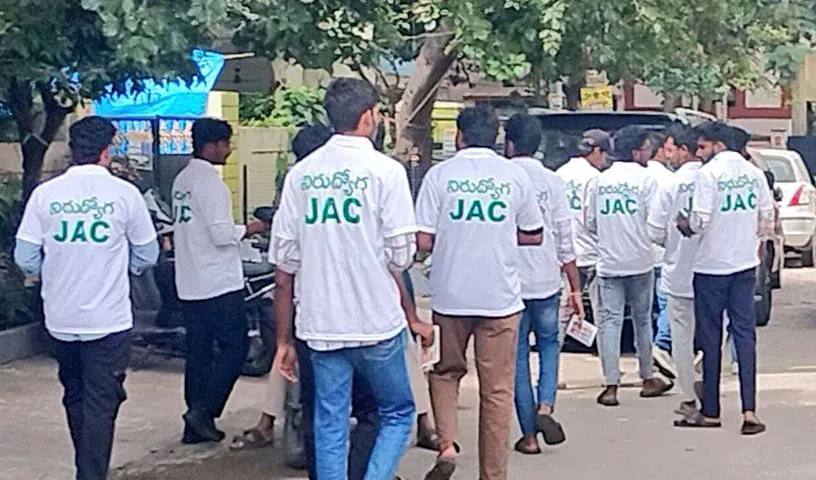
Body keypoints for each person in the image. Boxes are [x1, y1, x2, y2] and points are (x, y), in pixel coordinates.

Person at [271, 78, 425, 480]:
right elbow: (401, 256)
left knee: (329, 420)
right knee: (398, 411)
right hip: (376, 322)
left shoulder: (302, 175)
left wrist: (284, 340)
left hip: (320, 324)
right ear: (368, 117)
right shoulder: (387, 172)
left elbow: (285, 261)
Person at [14, 116, 159, 480]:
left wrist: (55, 270)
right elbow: (147, 254)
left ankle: (86, 465)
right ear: (106, 152)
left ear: (73, 151)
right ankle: (90, 473)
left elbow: (25, 257)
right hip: (108, 319)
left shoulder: (45, 194)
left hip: (60, 317)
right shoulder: (125, 194)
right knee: (102, 400)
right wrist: (119, 266)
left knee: (75, 393)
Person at [415, 106, 544, 480]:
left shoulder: (439, 176)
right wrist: (499, 233)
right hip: (500, 299)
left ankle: (447, 446)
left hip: (450, 297)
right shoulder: (514, 176)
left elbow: (423, 240)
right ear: (498, 140)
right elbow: (534, 234)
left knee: (445, 373)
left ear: (459, 136)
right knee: (497, 390)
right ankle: (493, 474)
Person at [172, 118, 267, 444]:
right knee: (235, 347)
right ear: (211, 146)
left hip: (190, 280)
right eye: (226, 144)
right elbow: (222, 234)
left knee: (198, 354)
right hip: (218, 282)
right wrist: (253, 228)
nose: (229, 150)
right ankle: (205, 410)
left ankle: (195, 425)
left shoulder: (182, 180)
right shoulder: (212, 184)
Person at [676, 122, 773, 435]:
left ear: (718, 145)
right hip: (744, 265)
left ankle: (712, 411)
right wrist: (754, 245)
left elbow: (700, 221)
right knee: (745, 336)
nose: (700, 152)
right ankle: (749, 411)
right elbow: (767, 217)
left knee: (710, 338)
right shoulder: (754, 173)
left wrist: (685, 225)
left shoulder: (708, 175)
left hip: (711, 267)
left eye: (703, 146)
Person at [504, 114, 583, 455]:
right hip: (547, 280)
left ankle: (529, 437)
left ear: (509, 143)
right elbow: (565, 238)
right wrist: (575, 287)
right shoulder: (553, 181)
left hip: (511, 284)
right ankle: (546, 406)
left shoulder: (502, 179)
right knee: (550, 345)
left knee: (518, 356)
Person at [585, 125, 673, 407]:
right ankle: (647, 377)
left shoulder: (599, 181)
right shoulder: (647, 181)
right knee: (642, 320)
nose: (649, 153)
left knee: (609, 322)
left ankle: (611, 384)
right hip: (641, 261)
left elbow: (590, 222)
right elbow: (655, 222)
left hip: (608, 262)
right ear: (636, 152)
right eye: (647, 148)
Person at [646, 127, 703, 420]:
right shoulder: (711, 179)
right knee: (712, 331)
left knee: (681, 336)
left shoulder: (671, 183)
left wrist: (672, 242)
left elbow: (655, 230)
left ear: (684, 149)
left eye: (672, 150)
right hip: (711, 271)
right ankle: (710, 383)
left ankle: (689, 396)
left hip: (678, 270)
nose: (670, 156)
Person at [556, 129, 609, 341]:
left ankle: (553, 356)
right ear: (597, 151)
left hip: (566, 252)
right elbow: (595, 220)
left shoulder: (560, 174)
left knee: (563, 311)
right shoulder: (596, 179)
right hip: (593, 252)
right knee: (603, 314)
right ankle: (608, 360)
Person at [645, 129, 679, 380]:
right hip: (664, 253)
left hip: (640, 253)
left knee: (643, 311)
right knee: (667, 302)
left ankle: (650, 353)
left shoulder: (640, 176)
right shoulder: (669, 179)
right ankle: (662, 345)